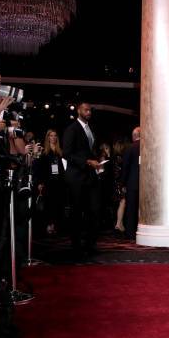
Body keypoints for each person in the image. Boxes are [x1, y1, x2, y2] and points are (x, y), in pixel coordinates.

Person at [63, 101, 103, 260]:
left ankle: (90, 244)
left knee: (94, 210)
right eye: (86, 110)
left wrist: (98, 159)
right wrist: (87, 161)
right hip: (76, 177)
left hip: (90, 176)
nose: (89, 112)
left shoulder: (91, 129)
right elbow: (67, 153)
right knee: (77, 212)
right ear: (79, 110)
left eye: (90, 110)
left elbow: (91, 150)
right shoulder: (71, 129)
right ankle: (76, 246)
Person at [34, 129, 65, 235]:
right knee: (48, 205)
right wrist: (40, 182)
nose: (53, 137)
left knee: (57, 204)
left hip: (58, 181)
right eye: (51, 136)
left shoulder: (60, 151)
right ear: (48, 137)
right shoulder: (44, 152)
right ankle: (48, 226)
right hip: (48, 181)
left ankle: (55, 225)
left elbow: (62, 168)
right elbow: (40, 169)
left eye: (55, 135)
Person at [122, 127, 140, 240]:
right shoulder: (148, 147)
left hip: (132, 183)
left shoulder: (130, 148)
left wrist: (123, 183)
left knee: (131, 209)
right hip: (145, 183)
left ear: (134, 136)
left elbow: (125, 167)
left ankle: (130, 233)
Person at [112, 138, 128, 236]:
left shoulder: (114, 157)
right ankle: (118, 223)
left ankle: (120, 224)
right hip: (119, 183)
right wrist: (123, 184)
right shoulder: (120, 158)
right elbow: (120, 173)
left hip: (115, 183)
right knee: (123, 202)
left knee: (120, 203)